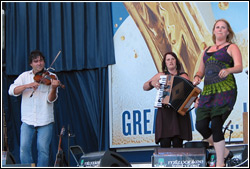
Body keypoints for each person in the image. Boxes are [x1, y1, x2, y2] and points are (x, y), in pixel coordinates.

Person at [193, 19, 243, 167]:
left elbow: (239, 67)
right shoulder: (206, 50)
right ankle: (226, 153)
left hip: (225, 91)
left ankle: (220, 163)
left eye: (223, 27)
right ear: (214, 31)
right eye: (217, 27)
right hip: (207, 93)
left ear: (228, 32)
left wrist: (228, 70)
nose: (220, 29)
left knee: (216, 125)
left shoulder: (232, 47)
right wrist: (196, 77)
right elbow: (200, 71)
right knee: (201, 126)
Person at [8, 50, 61, 167]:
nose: (39, 63)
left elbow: (51, 99)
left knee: (43, 150)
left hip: (45, 119)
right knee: (24, 149)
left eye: (41, 60)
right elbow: (11, 90)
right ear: (31, 64)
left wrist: (53, 88)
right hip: (28, 119)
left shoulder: (52, 77)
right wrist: (28, 85)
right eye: (36, 61)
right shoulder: (24, 76)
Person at [143, 52, 192, 148]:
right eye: (168, 59)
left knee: (178, 144)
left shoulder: (183, 76)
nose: (170, 61)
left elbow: (191, 94)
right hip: (165, 113)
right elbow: (144, 87)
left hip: (178, 114)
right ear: (165, 63)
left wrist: (193, 102)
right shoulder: (161, 75)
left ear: (176, 61)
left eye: (172, 59)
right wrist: (152, 83)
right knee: (164, 143)